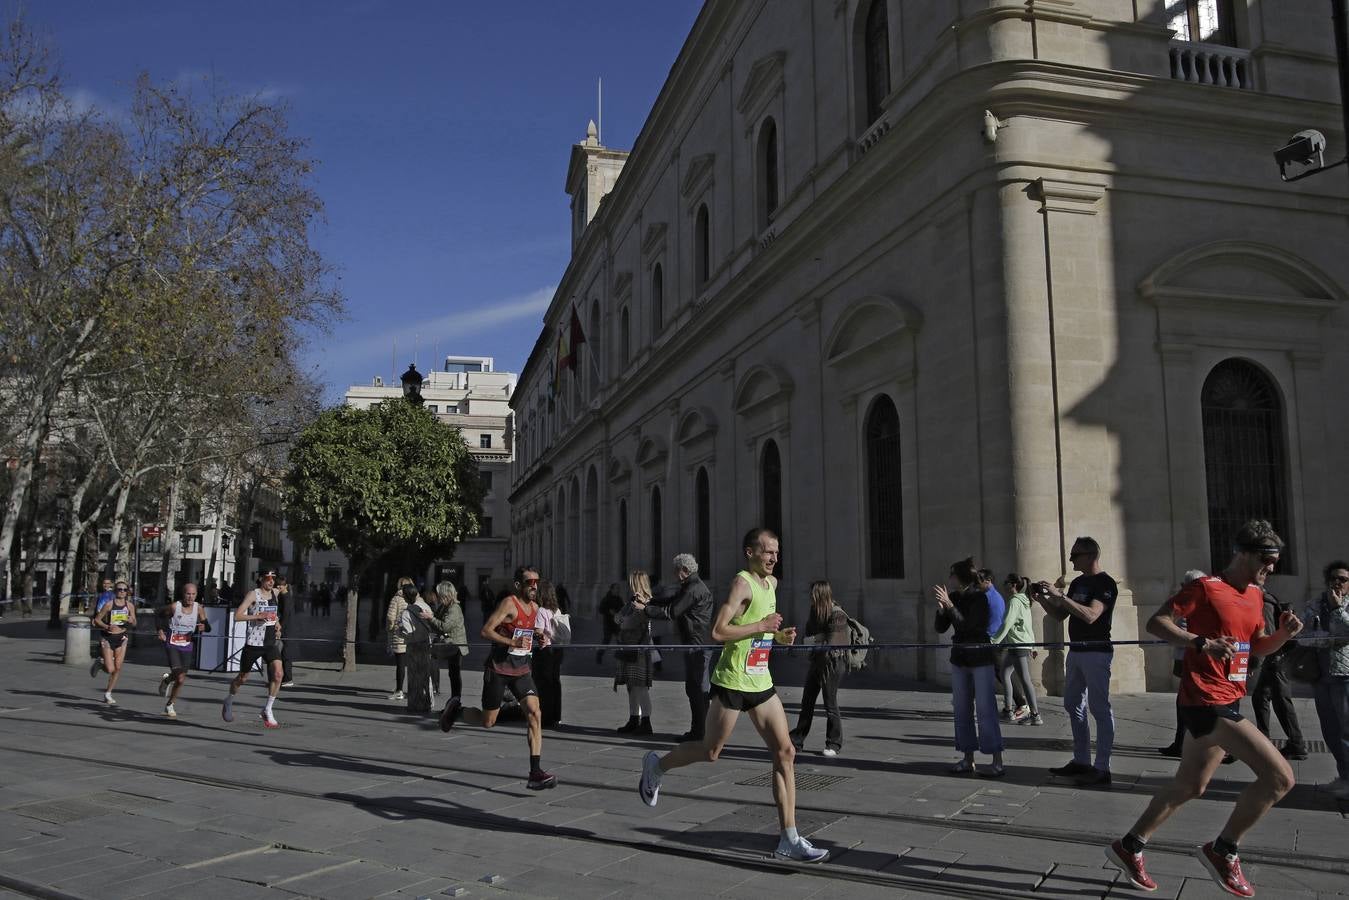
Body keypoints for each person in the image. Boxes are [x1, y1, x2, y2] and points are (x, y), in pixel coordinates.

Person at [1105, 519, 1302, 897]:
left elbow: (1257, 646)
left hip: (1229, 695)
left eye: (1275, 560)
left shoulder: (1256, 595)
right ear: (1242, 554)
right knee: (1280, 779)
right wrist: (1201, 642)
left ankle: (1129, 846)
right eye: (1266, 559)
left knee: (1190, 784)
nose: (1271, 566)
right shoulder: (1206, 588)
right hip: (1205, 699)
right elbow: (1157, 623)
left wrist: (1283, 635)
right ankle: (1223, 850)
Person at [638, 528, 829, 863]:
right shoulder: (742, 584)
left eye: (777, 552)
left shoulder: (771, 584)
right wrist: (762, 626)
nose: (774, 558)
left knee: (785, 752)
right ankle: (657, 766)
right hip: (732, 681)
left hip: (760, 680)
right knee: (710, 751)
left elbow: (761, 631)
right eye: (767, 552)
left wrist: (777, 637)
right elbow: (718, 631)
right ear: (750, 553)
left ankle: (789, 838)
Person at [439, 567, 557, 791]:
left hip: (522, 669)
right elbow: (486, 631)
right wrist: (512, 642)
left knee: (535, 713)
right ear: (518, 585)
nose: (534, 586)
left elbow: (527, 633)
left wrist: (540, 637)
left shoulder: (535, 608)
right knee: (488, 721)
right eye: (529, 582)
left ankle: (535, 773)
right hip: (499, 669)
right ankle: (456, 711)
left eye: (537, 581)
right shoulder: (509, 604)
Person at [1034, 535, 1118, 787]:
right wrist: (1042, 599)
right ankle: (1081, 759)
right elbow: (1061, 615)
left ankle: (1102, 767)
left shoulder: (1105, 583)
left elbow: (1092, 615)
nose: (1071, 560)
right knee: (1073, 704)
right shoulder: (1078, 583)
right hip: (1076, 650)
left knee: (1099, 707)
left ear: (1091, 556)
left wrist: (1060, 595)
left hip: (1096, 651)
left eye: (1075, 555)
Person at [935, 558, 1005, 777]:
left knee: (985, 708)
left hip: (980, 658)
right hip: (960, 658)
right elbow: (941, 627)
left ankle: (996, 760)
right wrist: (942, 610)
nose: (950, 579)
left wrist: (950, 606)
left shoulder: (979, 597)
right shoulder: (954, 597)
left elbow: (968, 626)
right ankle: (968, 758)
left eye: (953, 574)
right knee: (961, 708)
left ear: (961, 577)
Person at [645, 553, 716, 742]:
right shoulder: (690, 586)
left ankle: (700, 732)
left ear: (684, 570)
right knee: (695, 687)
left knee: (697, 688)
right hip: (696, 642)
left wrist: (645, 610)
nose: (674, 574)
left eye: (675, 570)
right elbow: (671, 601)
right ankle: (700, 730)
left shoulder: (693, 589)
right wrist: (649, 601)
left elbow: (672, 612)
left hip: (697, 643)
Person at [789, 580, 849, 756]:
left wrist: (817, 639)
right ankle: (797, 740)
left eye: (813, 595)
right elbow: (808, 636)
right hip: (818, 661)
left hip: (833, 663)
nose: (811, 598)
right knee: (807, 702)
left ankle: (834, 743)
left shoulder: (838, 614)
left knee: (830, 703)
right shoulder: (815, 612)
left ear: (821, 595)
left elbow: (834, 643)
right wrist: (819, 638)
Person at [1306, 559, 1349, 798]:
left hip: (1345, 676)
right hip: (1321, 675)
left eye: (1343, 579)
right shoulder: (1316, 604)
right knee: (1330, 730)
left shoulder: (1345, 605)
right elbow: (1304, 634)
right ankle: (1343, 776)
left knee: (1347, 730)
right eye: (1333, 578)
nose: (1337, 583)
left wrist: (1337, 609)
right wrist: (1317, 637)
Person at [1247, 588, 1307, 760]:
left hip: (1275, 660)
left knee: (1281, 701)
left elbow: (1267, 635)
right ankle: (1264, 740)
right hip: (1273, 660)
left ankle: (1297, 744)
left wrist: (1254, 663)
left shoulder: (1264, 603)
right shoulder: (1265, 600)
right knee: (1260, 697)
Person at [223, 570, 284, 728]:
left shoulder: (275, 593)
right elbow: (237, 616)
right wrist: (257, 616)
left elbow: (274, 613)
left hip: (270, 643)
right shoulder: (253, 594)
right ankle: (229, 700)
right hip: (254, 643)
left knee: (278, 674)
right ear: (261, 579)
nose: (271, 582)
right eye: (268, 579)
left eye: (273, 579)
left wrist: (277, 624)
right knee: (242, 678)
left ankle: (267, 709)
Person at [1159, 569, 1208, 758]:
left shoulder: (1190, 602)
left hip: (1191, 659)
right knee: (1184, 702)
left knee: (1188, 703)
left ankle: (1185, 744)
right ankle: (1181, 743)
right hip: (1188, 658)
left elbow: (1181, 630)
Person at [994, 574, 1041, 726]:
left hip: (1018, 645)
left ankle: (1035, 715)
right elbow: (1028, 625)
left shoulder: (1015, 601)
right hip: (1018, 644)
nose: (1004, 585)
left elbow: (1007, 623)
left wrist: (994, 641)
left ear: (1013, 585)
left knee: (1025, 680)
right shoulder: (1024, 600)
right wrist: (1032, 645)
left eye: (1006, 582)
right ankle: (1008, 710)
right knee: (1004, 673)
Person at [155, 581, 208, 718]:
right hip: (172, 643)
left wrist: (204, 627)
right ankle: (169, 681)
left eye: (193, 594)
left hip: (187, 645)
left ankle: (170, 702)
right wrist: (160, 630)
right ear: (183, 594)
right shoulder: (175, 607)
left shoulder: (199, 608)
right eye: (188, 594)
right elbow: (159, 615)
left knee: (181, 680)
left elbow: (207, 626)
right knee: (178, 673)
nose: (190, 597)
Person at [614, 570, 656, 734]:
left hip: (639, 649)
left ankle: (646, 722)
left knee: (640, 687)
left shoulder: (646, 603)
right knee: (631, 686)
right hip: (628, 647)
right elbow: (617, 617)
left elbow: (629, 622)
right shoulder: (631, 601)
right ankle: (633, 718)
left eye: (631, 582)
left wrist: (622, 620)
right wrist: (621, 619)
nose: (629, 585)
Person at [91, 580, 136, 705]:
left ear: (127, 592)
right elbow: (97, 620)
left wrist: (131, 620)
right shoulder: (109, 605)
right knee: (110, 669)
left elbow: (134, 622)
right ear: (115, 591)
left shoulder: (130, 606)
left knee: (118, 667)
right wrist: (106, 626)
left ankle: (108, 693)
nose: (122, 592)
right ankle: (100, 664)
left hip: (122, 637)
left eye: (124, 590)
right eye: (119, 589)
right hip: (108, 637)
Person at [428, 580, 468, 702]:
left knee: (454, 673)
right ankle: (454, 699)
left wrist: (430, 618)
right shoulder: (444, 606)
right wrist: (430, 616)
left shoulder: (454, 608)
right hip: (450, 644)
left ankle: (456, 699)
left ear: (446, 594)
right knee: (453, 673)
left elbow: (445, 626)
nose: (438, 597)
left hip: (456, 645)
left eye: (440, 595)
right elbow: (436, 619)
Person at [533, 579, 565, 728]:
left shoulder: (541, 610)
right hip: (558, 649)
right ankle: (556, 716)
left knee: (543, 684)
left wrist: (534, 633)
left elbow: (539, 631)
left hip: (545, 651)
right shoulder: (556, 610)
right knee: (555, 682)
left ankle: (546, 717)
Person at [403, 582, 438, 714]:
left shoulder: (406, 613)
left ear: (406, 597)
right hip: (426, 644)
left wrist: (399, 631)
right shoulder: (425, 607)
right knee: (426, 675)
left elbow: (407, 632)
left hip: (413, 646)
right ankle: (428, 703)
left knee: (414, 677)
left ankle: (415, 704)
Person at [385, 576, 413, 701]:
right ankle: (413, 689)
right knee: (412, 664)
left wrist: (390, 629)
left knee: (400, 664)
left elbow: (390, 617)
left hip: (399, 635)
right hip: (413, 635)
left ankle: (399, 690)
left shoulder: (397, 598)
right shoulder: (415, 598)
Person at [596, 581, 625, 665]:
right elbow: (601, 609)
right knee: (606, 641)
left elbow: (622, 609)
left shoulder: (619, 599)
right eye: (616, 588)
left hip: (617, 624)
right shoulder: (606, 598)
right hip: (608, 623)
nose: (618, 590)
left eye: (619, 588)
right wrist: (609, 611)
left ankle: (620, 659)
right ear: (612, 589)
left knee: (620, 641)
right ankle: (599, 655)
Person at [276, 576, 295, 687]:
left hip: (287, 629)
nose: (279, 587)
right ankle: (285, 678)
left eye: (281, 585)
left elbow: (286, 615)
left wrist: (280, 629)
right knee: (284, 653)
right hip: (287, 628)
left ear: (286, 586)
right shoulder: (283, 596)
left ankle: (288, 679)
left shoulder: (286, 597)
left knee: (286, 654)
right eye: (278, 585)